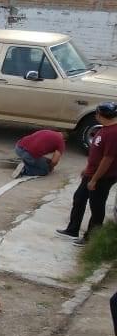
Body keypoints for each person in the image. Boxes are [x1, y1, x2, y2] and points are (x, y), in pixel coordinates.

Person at [57, 102, 117, 246]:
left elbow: (108, 159)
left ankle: (91, 237)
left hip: (102, 177)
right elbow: (97, 154)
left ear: (100, 115)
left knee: (96, 206)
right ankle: (72, 229)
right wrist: (87, 169)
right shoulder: (105, 129)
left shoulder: (113, 133)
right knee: (79, 198)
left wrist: (94, 179)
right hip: (91, 172)